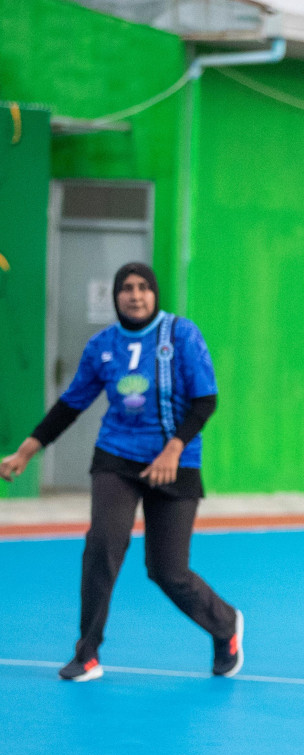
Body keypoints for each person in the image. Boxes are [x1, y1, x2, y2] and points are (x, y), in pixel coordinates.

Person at [0, 262, 243, 681]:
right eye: (126, 288)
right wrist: (27, 449)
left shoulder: (181, 335)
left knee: (167, 571)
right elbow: (72, 404)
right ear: (115, 297)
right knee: (103, 545)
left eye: (143, 287)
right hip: (117, 457)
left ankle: (225, 626)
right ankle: (88, 653)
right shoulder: (102, 346)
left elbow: (205, 400)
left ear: (154, 293)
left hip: (176, 462)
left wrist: (173, 448)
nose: (135, 295)